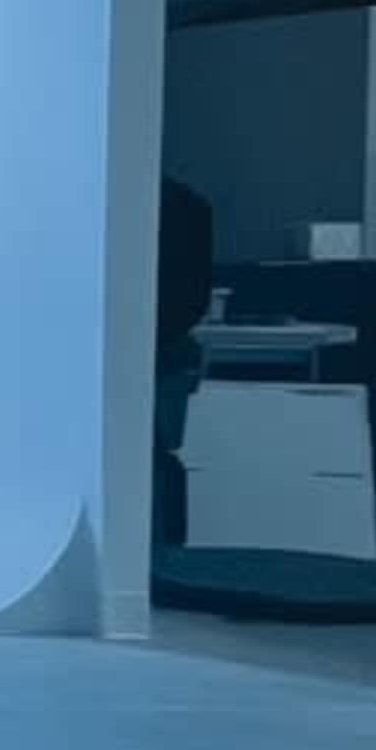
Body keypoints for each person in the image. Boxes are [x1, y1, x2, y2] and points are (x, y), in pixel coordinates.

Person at [154, 176, 215, 545]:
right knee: (156, 460)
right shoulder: (187, 202)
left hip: (153, 355)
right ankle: (163, 563)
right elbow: (192, 301)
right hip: (162, 354)